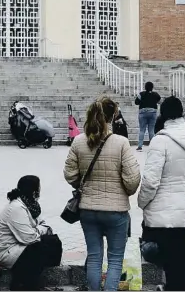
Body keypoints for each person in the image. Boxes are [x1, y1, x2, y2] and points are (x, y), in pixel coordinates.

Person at [64, 96, 141, 291]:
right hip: (116, 211)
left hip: (87, 209)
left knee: (94, 256)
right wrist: (123, 190)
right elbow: (132, 180)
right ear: (113, 116)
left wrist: (83, 184)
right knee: (115, 259)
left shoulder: (79, 141)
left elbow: (69, 173)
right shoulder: (121, 142)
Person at [138, 96, 185, 291]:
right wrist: (182, 192)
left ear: (163, 114)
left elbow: (150, 181)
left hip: (160, 216)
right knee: (180, 266)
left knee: (162, 258)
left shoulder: (160, 141)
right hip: (183, 215)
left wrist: (142, 202)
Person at [0, 175, 63, 291]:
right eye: (39, 188)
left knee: (54, 242)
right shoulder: (16, 207)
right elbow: (29, 238)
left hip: (19, 246)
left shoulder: (31, 206)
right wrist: (41, 230)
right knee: (39, 248)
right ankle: (23, 284)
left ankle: (29, 281)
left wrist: (40, 230)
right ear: (34, 191)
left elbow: (44, 225)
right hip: (7, 251)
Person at [135, 81, 161, 151]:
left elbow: (136, 102)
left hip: (143, 112)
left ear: (145, 87)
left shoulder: (141, 94)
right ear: (152, 87)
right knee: (151, 130)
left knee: (142, 130)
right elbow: (159, 101)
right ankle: (152, 146)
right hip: (153, 112)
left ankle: (140, 146)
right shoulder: (156, 94)